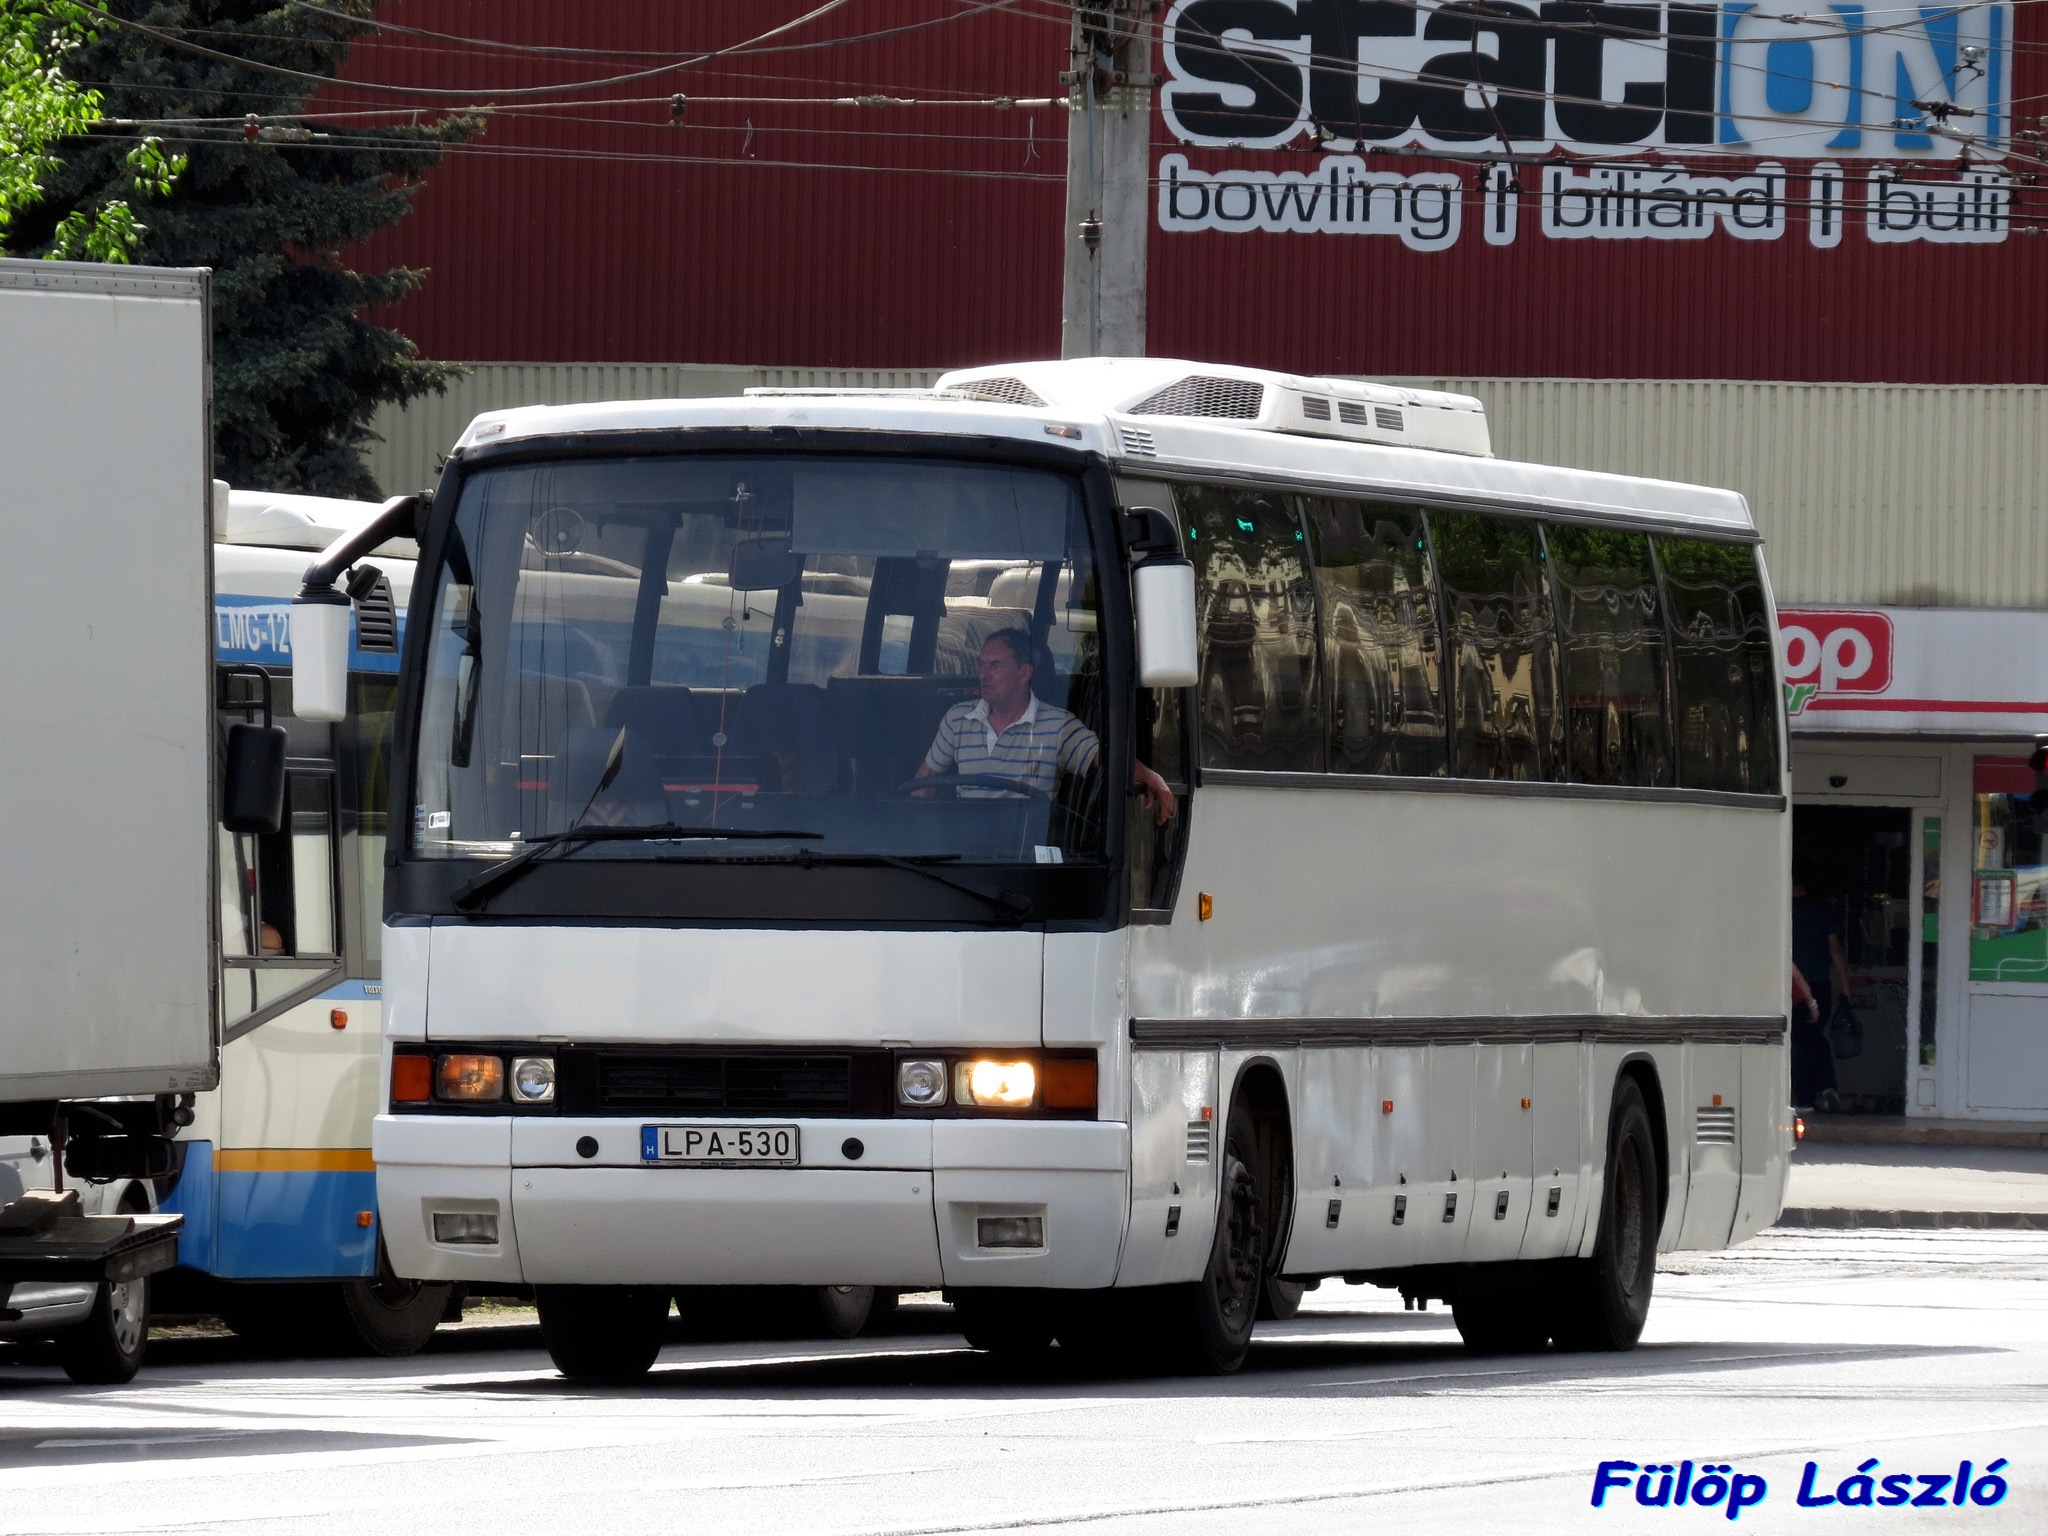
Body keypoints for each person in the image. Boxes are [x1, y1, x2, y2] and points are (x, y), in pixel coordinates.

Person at [919, 629, 1174, 825]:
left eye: (995, 665)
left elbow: (1105, 760)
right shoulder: (958, 718)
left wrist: (1151, 777)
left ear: (1024, 672)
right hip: (964, 848)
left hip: (1025, 851)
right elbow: (925, 780)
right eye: (981, 664)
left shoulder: (1058, 726)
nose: (984, 674)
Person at [1790, 869, 1849, 1109]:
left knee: (1797, 1041)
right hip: (1820, 983)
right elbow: (1835, 949)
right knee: (1815, 1036)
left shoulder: (1782, 910)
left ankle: (1805, 1097)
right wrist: (1845, 985)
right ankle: (1827, 1085)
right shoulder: (1823, 910)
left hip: (1792, 986)